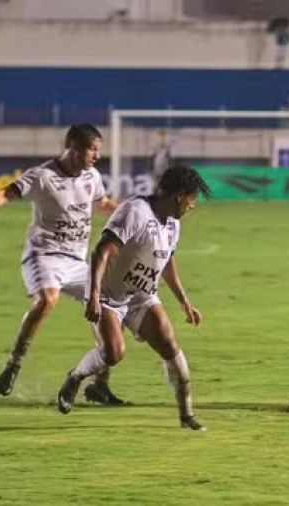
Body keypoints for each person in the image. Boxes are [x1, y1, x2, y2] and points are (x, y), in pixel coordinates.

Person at [0, 124, 125, 405]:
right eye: (93, 149)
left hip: (77, 262)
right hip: (44, 256)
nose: (96, 156)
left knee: (110, 310)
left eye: (97, 150)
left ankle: (100, 384)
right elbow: (5, 194)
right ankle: (14, 364)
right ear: (74, 147)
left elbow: (102, 203)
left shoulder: (92, 176)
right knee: (47, 300)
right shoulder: (42, 175)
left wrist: (130, 215)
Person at [56, 163, 211, 431]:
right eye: (192, 198)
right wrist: (93, 296)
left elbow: (166, 262)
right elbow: (101, 252)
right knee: (113, 354)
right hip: (107, 295)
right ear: (179, 196)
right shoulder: (134, 211)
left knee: (169, 343)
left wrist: (184, 302)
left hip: (141, 297)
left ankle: (186, 416)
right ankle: (75, 377)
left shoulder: (173, 224)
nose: (192, 205)